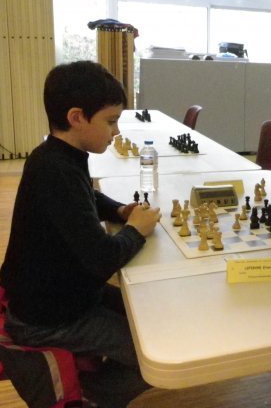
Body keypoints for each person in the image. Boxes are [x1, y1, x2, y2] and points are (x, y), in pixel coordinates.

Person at [0, 61, 161, 408]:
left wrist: (120, 211)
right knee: (156, 356)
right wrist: (136, 230)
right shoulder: (56, 170)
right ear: (76, 117)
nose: (116, 132)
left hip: (67, 296)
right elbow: (103, 259)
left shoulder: (57, 155)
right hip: (48, 318)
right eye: (110, 121)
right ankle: (92, 395)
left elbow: (86, 197)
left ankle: (93, 377)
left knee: (150, 316)